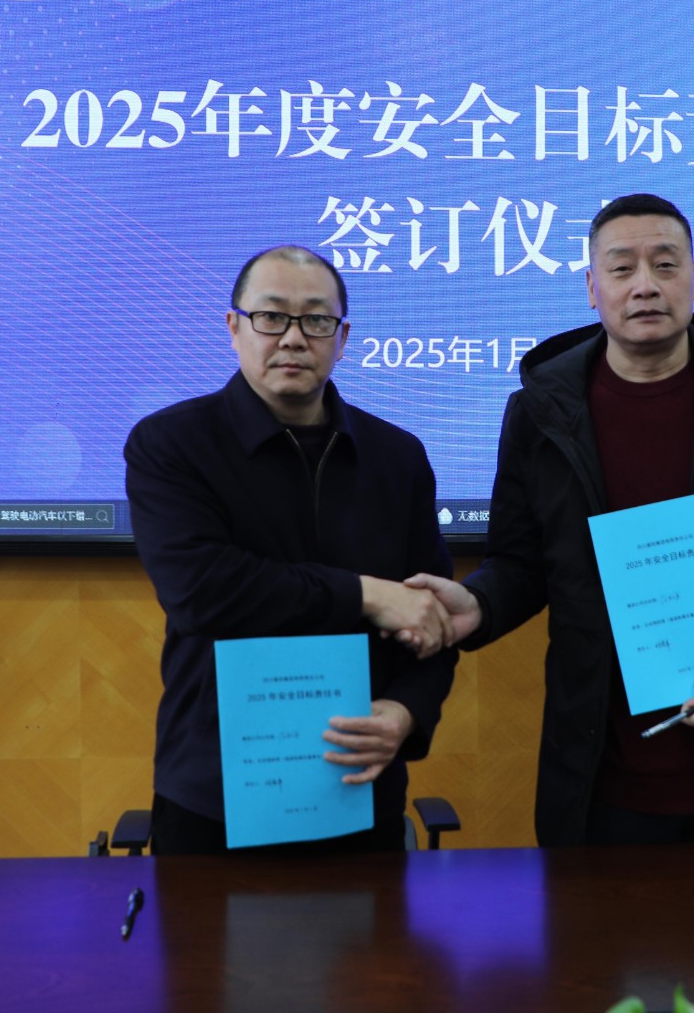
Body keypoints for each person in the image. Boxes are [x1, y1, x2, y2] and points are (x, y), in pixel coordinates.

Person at [401, 194, 694, 846]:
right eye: (621, 268)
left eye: (665, 265)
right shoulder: (540, 412)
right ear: (593, 288)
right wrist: (479, 603)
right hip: (599, 782)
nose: (645, 285)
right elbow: (521, 564)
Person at [125, 245, 457, 854]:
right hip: (215, 793)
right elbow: (204, 592)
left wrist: (406, 713)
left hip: (359, 786)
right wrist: (366, 595)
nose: (294, 338)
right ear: (234, 327)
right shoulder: (172, 444)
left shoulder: (397, 456)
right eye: (272, 316)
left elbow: (430, 617)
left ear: (342, 337)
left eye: (317, 320)